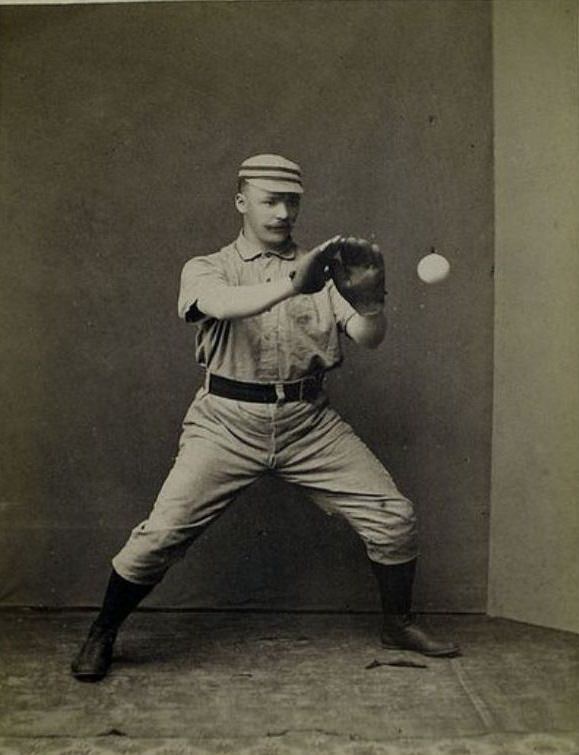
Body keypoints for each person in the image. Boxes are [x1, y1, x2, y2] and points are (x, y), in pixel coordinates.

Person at [71, 154, 459, 682]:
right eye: (268, 200)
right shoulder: (206, 266)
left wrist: (370, 303)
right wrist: (294, 283)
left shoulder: (324, 271)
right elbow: (224, 305)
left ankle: (398, 624)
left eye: (291, 201)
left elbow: (369, 339)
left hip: (308, 421)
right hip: (226, 421)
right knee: (159, 536)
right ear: (241, 202)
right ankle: (103, 631)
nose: (281, 212)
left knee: (394, 517)